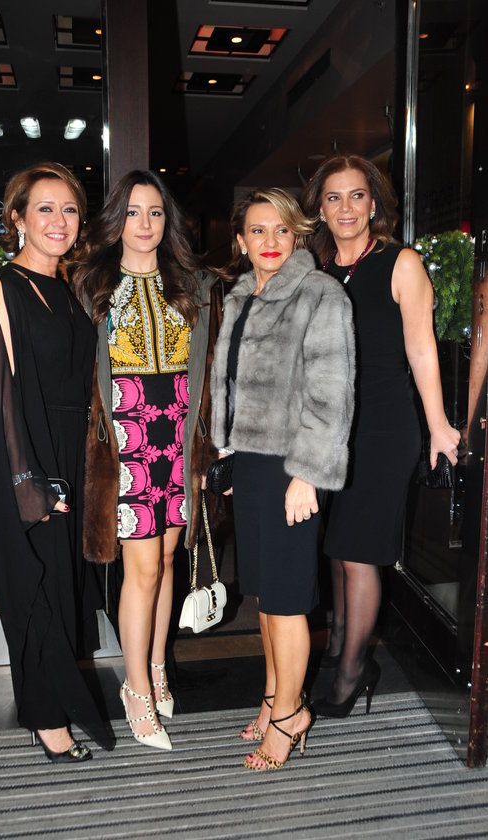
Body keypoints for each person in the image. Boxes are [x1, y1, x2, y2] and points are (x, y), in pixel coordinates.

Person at [302, 154, 461, 717]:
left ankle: (352, 674)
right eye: (334, 197)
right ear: (320, 208)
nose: (345, 208)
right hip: (331, 431)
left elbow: (421, 348)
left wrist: (438, 425)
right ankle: (341, 649)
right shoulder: (317, 268)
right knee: (337, 550)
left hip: (384, 427)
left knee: (359, 552)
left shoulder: (401, 263)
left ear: (374, 203)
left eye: (357, 196)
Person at [0, 162, 115, 762]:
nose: (59, 221)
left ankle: (52, 703)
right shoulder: (2, 287)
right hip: (31, 457)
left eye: (69, 209)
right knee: (37, 586)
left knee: (64, 586)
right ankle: (47, 718)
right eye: (45, 209)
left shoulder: (72, 288)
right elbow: (0, 392)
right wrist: (29, 482)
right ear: (18, 219)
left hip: (73, 453)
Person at [210, 188, 355, 770]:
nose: (270, 241)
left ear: (297, 234)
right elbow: (228, 384)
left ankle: (291, 717)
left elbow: (331, 394)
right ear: (241, 240)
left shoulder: (319, 293)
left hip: (293, 467)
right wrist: (227, 454)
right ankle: (273, 699)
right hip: (250, 464)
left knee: (289, 600)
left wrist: (308, 477)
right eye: (257, 230)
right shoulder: (241, 296)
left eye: (281, 230)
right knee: (267, 599)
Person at [72, 170, 216, 751]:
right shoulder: (92, 286)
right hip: (127, 439)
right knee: (143, 570)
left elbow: (206, 372)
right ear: (116, 220)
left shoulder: (193, 284)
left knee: (169, 558)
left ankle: (156, 668)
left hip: (177, 436)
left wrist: (205, 445)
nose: (145, 224)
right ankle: (134, 690)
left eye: (155, 212)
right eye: (133, 212)